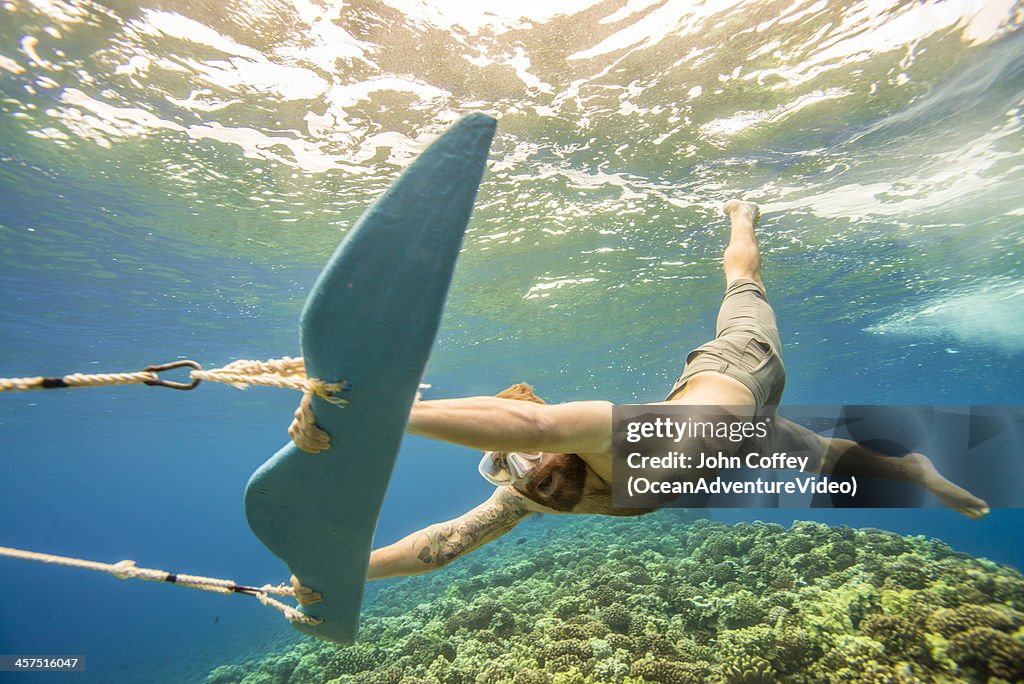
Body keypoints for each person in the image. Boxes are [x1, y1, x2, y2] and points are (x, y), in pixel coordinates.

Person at [288, 200, 988, 604]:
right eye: (515, 469)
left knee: (743, 283)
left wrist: (375, 414)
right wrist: (345, 572)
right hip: (749, 436)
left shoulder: (599, 436)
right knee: (834, 457)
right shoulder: (526, 494)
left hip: (739, 369)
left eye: (527, 460)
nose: (528, 471)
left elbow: (535, 420)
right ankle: (917, 467)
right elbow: (438, 547)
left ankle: (741, 216)